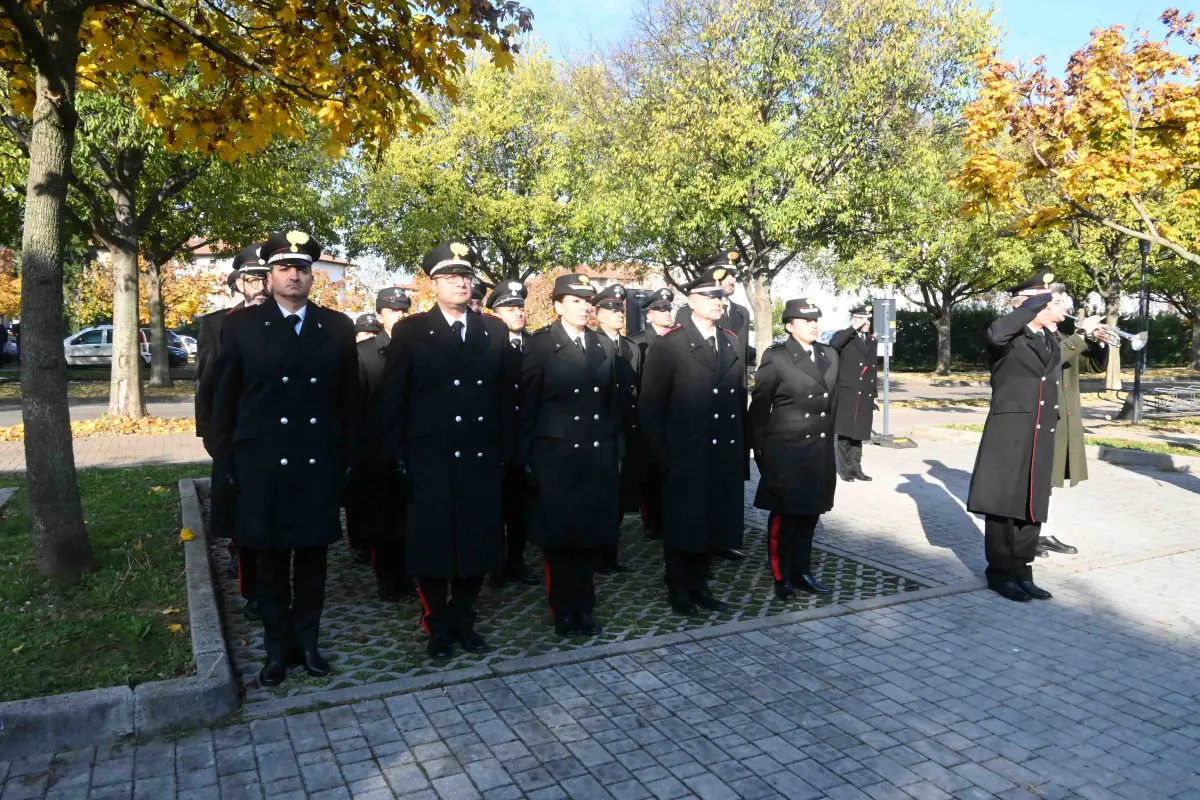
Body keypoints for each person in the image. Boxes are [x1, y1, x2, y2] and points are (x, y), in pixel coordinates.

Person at [210, 230, 359, 686]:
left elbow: (349, 400)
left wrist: (348, 459)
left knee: (313, 562)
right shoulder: (240, 326)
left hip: (317, 461)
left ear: (312, 276)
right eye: (284, 268)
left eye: (302, 269)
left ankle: (308, 644)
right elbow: (224, 400)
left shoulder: (336, 326)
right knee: (270, 564)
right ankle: (277, 650)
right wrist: (227, 460)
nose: (294, 275)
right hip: (263, 462)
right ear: (268, 275)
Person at [373, 242, 520, 660]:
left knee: (477, 542)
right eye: (450, 276)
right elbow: (393, 397)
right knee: (434, 545)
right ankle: (438, 625)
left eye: (465, 276)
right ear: (432, 283)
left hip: (480, 455)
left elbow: (506, 394)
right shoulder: (412, 330)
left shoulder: (492, 329)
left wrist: (507, 451)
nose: (460, 282)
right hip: (430, 456)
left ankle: (464, 619)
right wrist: (394, 453)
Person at [639, 265, 747, 616]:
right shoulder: (671, 343)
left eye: (721, 295)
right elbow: (651, 405)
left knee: (713, 520)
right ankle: (678, 588)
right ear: (691, 299)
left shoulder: (730, 340)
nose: (718, 300)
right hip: (685, 451)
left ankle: (701, 585)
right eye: (710, 295)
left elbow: (737, 398)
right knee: (684, 521)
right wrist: (662, 456)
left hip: (721, 451)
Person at [520, 274, 620, 636]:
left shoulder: (601, 345)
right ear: (558, 305)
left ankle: (585, 605)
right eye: (575, 300)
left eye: (587, 300)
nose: (585, 306)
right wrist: (525, 457)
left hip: (595, 453)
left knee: (589, 535)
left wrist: (615, 448)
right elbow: (527, 404)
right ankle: (562, 609)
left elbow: (611, 404)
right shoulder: (542, 345)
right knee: (561, 538)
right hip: (557, 456)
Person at [966, 271, 1067, 603]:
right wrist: (1031, 304)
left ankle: (1023, 570)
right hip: (1009, 433)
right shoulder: (1008, 335)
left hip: (1039, 434)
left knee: (1032, 504)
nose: (1055, 306)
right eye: (1050, 301)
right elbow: (996, 334)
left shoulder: (1047, 338)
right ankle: (1000, 573)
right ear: (1029, 304)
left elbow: (1066, 364)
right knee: (1003, 504)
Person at [195, 246, 269, 620]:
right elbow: (206, 385)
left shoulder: (292, 320)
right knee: (243, 521)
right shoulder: (217, 323)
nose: (260, 285)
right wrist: (213, 439)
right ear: (238, 282)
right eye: (253, 277)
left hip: (281, 438)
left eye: (264, 276)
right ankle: (251, 590)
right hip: (237, 438)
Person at [747, 299, 838, 599]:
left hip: (818, 452)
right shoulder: (777, 357)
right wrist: (762, 453)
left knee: (810, 518)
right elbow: (759, 410)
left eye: (816, 319)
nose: (814, 324)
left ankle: (802, 572)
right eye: (806, 320)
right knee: (784, 521)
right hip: (787, 452)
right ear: (789, 325)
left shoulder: (829, 354)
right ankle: (780, 576)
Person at [350, 288, 418, 600]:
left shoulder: (421, 348)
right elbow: (355, 405)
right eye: (394, 311)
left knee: (413, 515)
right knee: (383, 519)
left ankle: (412, 573)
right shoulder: (364, 353)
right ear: (380, 316)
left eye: (405, 310)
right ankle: (388, 580)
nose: (401, 316)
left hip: (414, 443)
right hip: (377, 450)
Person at [486, 280, 540, 587]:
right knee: (495, 508)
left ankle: (516, 561)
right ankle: (495, 564)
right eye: (510, 308)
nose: (518, 313)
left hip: (528, 440)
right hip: (496, 442)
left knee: (521, 509)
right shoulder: (488, 346)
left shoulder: (536, 345)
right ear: (496, 312)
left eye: (520, 307)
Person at [592, 281, 640, 573]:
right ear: (598, 314)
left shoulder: (631, 347)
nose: (618, 314)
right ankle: (596, 552)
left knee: (619, 497)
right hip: (599, 430)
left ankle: (611, 552)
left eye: (620, 310)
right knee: (599, 496)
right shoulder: (593, 343)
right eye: (611, 310)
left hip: (626, 429)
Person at [1042, 304, 1095, 557]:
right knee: (1040, 479)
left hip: (1065, 417)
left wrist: (1100, 343)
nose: (1066, 310)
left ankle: (1042, 532)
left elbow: (1089, 366)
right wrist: (1082, 334)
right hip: (1044, 417)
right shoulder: (1033, 336)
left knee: (1050, 480)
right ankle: (1030, 534)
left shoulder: (1063, 337)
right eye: (1060, 304)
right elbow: (1053, 359)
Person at [627, 287, 674, 539]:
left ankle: (667, 517)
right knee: (650, 472)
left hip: (672, 415)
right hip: (648, 413)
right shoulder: (637, 341)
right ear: (650, 314)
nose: (667, 314)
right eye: (662, 310)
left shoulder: (676, 340)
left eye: (669, 309)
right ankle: (651, 521)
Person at [673, 249, 751, 365]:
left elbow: (742, 358)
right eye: (728, 274)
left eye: (734, 274)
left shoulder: (742, 313)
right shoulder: (688, 312)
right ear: (715, 275)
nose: (733, 279)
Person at [829, 304, 879, 482]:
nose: (868, 323)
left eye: (869, 320)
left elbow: (872, 369)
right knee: (844, 434)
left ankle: (856, 469)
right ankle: (844, 470)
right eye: (864, 319)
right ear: (855, 319)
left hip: (864, 393)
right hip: (848, 392)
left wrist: (873, 394)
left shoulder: (872, 340)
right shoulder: (844, 336)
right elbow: (834, 345)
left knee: (859, 434)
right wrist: (853, 328)